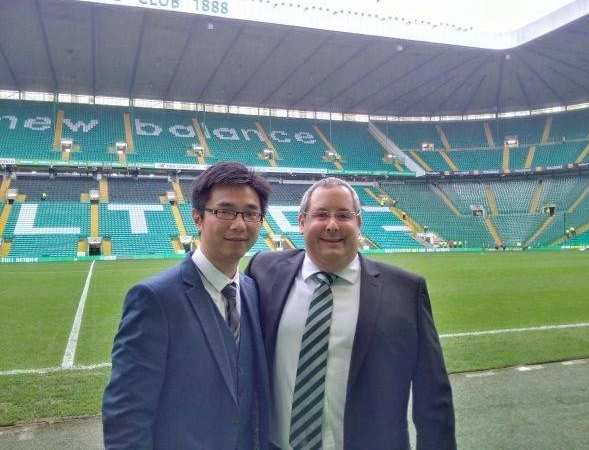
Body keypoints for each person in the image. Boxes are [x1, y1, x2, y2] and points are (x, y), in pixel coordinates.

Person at [246, 177, 456, 450]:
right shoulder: (263, 270)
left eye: (343, 215)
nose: (332, 225)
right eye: (321, 214)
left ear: (358, 223)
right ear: (301, 222)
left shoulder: (406, 290)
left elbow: (433, 396)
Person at [102, 162, 271, 450]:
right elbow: (126, 416)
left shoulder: (253, 291)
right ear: (198, 218)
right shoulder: (154, 299)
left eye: (250, 213)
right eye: (225, 211)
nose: (239, 224)